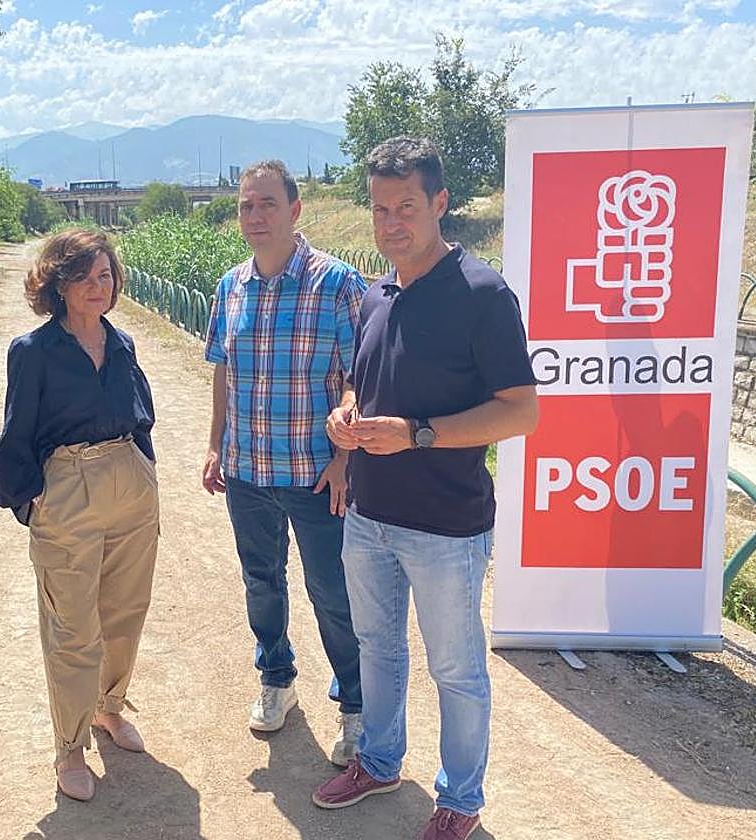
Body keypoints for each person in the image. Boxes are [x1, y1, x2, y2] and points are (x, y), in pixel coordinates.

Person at [312, 136, 539, 840]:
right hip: (369, 515)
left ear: (440, 203)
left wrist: (419, 434)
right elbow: (361, 383)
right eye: (380, 209)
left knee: (456, 669)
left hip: (446, 525)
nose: (391, 224)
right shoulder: (376, 294)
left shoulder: (482, 294)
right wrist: (346, 415)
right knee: (377, 648)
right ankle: (379, 762)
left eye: (405, 207)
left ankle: (460, 801)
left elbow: (521, 411)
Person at [202, 159, 366, 764]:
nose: (255, 216)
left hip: (317, 474)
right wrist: (215, 444)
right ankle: (276, 678)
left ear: (295, 210)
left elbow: (360, 379)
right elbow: (223, 371)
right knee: (261, 583)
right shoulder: (230, 287)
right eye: (246, 205)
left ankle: (355, 705)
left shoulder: (337, 283)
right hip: (248, 471)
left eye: (267, 204)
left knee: (334, 594)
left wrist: (345, 458)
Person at [0, 228, 158, 802]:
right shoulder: (33, 351)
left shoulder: (122, 343)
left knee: (125, 610)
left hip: (129, 483)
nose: (97, 286)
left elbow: (142, 413)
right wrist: (33, 502)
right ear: (58, 284)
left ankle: (110, 708)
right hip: (68, 485)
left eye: (105, 275)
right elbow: (17, 432)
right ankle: (69, 747)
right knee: (72, 628)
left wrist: (144, 468)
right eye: (84, 277)